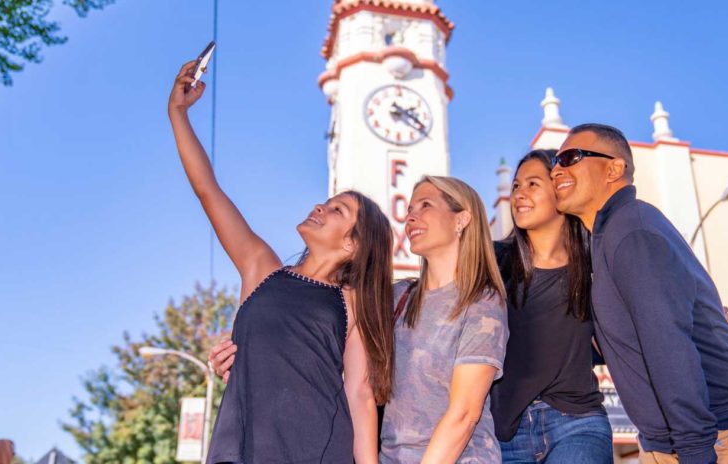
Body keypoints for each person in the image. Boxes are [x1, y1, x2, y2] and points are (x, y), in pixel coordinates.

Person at [168, 60, 394, 464]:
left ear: (352, 245)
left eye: (337, 211)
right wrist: (179, 115)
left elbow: (359, 394)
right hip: (239, 451)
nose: (320, 208)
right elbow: (207, 190)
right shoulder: (262, 269)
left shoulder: (353, 300)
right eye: (326, 202)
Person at [550, 124, 728, 464]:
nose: (557, 169)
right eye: (555, 162)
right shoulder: (605, 238)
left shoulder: (632, 230)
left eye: (570, 158)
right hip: (677, 440)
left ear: (614, 168)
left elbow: (668, 346)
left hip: (720, 434)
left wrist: (695, 452)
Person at [491, 150, 613, 463]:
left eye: (532, 184)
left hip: (577, 422)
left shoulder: (595, 264)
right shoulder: (492, 262)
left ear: (559, 190)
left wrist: (693, 320)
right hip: (505, 432)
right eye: (516, 186)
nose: (519, 194)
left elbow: (635, 317)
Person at [380, 175, 509, 463]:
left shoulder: (481, 301)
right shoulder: (397, 297)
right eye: (410, 210)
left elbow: (464, 414)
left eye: (425, 205)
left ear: (461, 220)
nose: (410, 217)